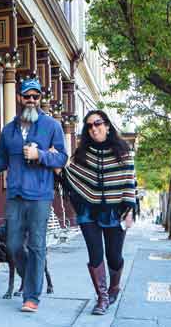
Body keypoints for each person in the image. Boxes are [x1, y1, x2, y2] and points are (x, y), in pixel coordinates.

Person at [0, 77, 66, 314]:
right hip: (15, 195)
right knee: (12, 244)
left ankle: (31, 296)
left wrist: (39, 154)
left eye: (36, 96)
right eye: (27, 96)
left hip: (40, 195)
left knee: (38, 244)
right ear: (19, 97)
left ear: (40, 99)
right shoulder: (8, 130)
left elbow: (62, 157)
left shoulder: (52, 126)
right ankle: (32, 276)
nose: (31, 100)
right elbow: (2, 158)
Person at [61, 109, 137, 316]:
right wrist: (51, 161)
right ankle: (102, 298)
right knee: (95, 254)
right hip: (88, 212)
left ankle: (114, 288)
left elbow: (130, 183)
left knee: (114, 256)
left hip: (115, 212)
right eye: (90, 126)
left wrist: (129, 210)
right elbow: (71, 176)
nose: (94, 128)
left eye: (98, 123)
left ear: (107, 125)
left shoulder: (124, 152)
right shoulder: (82, 154)